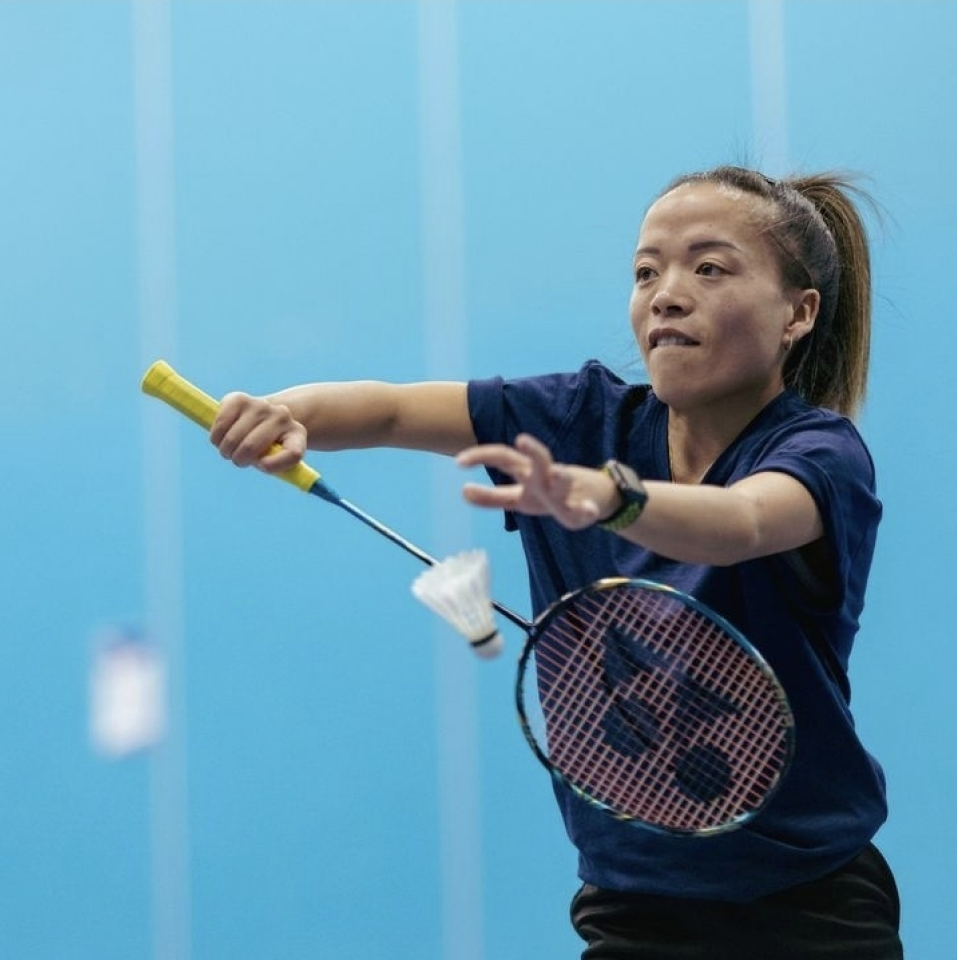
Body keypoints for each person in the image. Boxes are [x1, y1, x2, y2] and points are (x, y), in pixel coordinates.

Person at [209, 164, 902, 959]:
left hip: (810, 908)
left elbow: (744, 521)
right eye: (647, 272)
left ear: (798, 313)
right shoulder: (579, 418)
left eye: (709, 268)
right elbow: (393, 408)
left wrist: (615, 499)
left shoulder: (818, 452)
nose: (666, 294)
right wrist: (284, 413)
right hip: (633, 904)